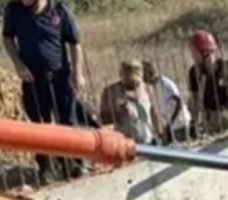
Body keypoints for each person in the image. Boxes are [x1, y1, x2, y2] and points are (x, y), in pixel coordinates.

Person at [3, 0, 86, 182]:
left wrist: (78, 74)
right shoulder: (14, 10)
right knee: (39, 125)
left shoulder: (59, 10)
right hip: (32, 78)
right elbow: (7, 38)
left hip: (59, 77)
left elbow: (75, 44)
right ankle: (46, 167)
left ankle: (73, 164)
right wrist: (18, 65)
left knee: (67, 122)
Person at [187, 29, 228, 135]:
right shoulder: (195, 72)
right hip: (210, 118)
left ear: (204, 51)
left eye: (194, 52)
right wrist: (194, 121)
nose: (192, 55)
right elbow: (194, 99)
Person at [98, 60, 157, 144]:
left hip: (148, 141)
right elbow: (102, 119)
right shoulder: (111, 91)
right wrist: (118, 113)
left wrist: (161, 133)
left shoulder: (148, 89)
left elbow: (154, 113)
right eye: (129, 81)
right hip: (124, 143)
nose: (133, 86)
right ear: (121, 75)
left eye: (136, 82)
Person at [143, 61, 192, 145]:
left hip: (179, 125)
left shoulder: (165, 83)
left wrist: (170, 124)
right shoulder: (152, 88)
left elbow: (178, 102)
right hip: (169, 127)